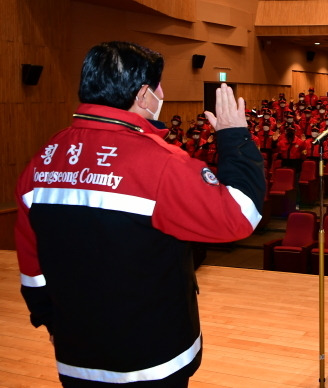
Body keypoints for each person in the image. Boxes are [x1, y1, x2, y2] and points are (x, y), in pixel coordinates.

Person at [14, 41, 265, 388]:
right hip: (153, 360)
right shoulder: (161, 164)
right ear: (145, 95)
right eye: (158, 85)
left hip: (77, 357)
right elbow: (240, 216)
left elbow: (32, 267)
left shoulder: (43, 159)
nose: (162, 92)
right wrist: (234, 138)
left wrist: (52, 322)